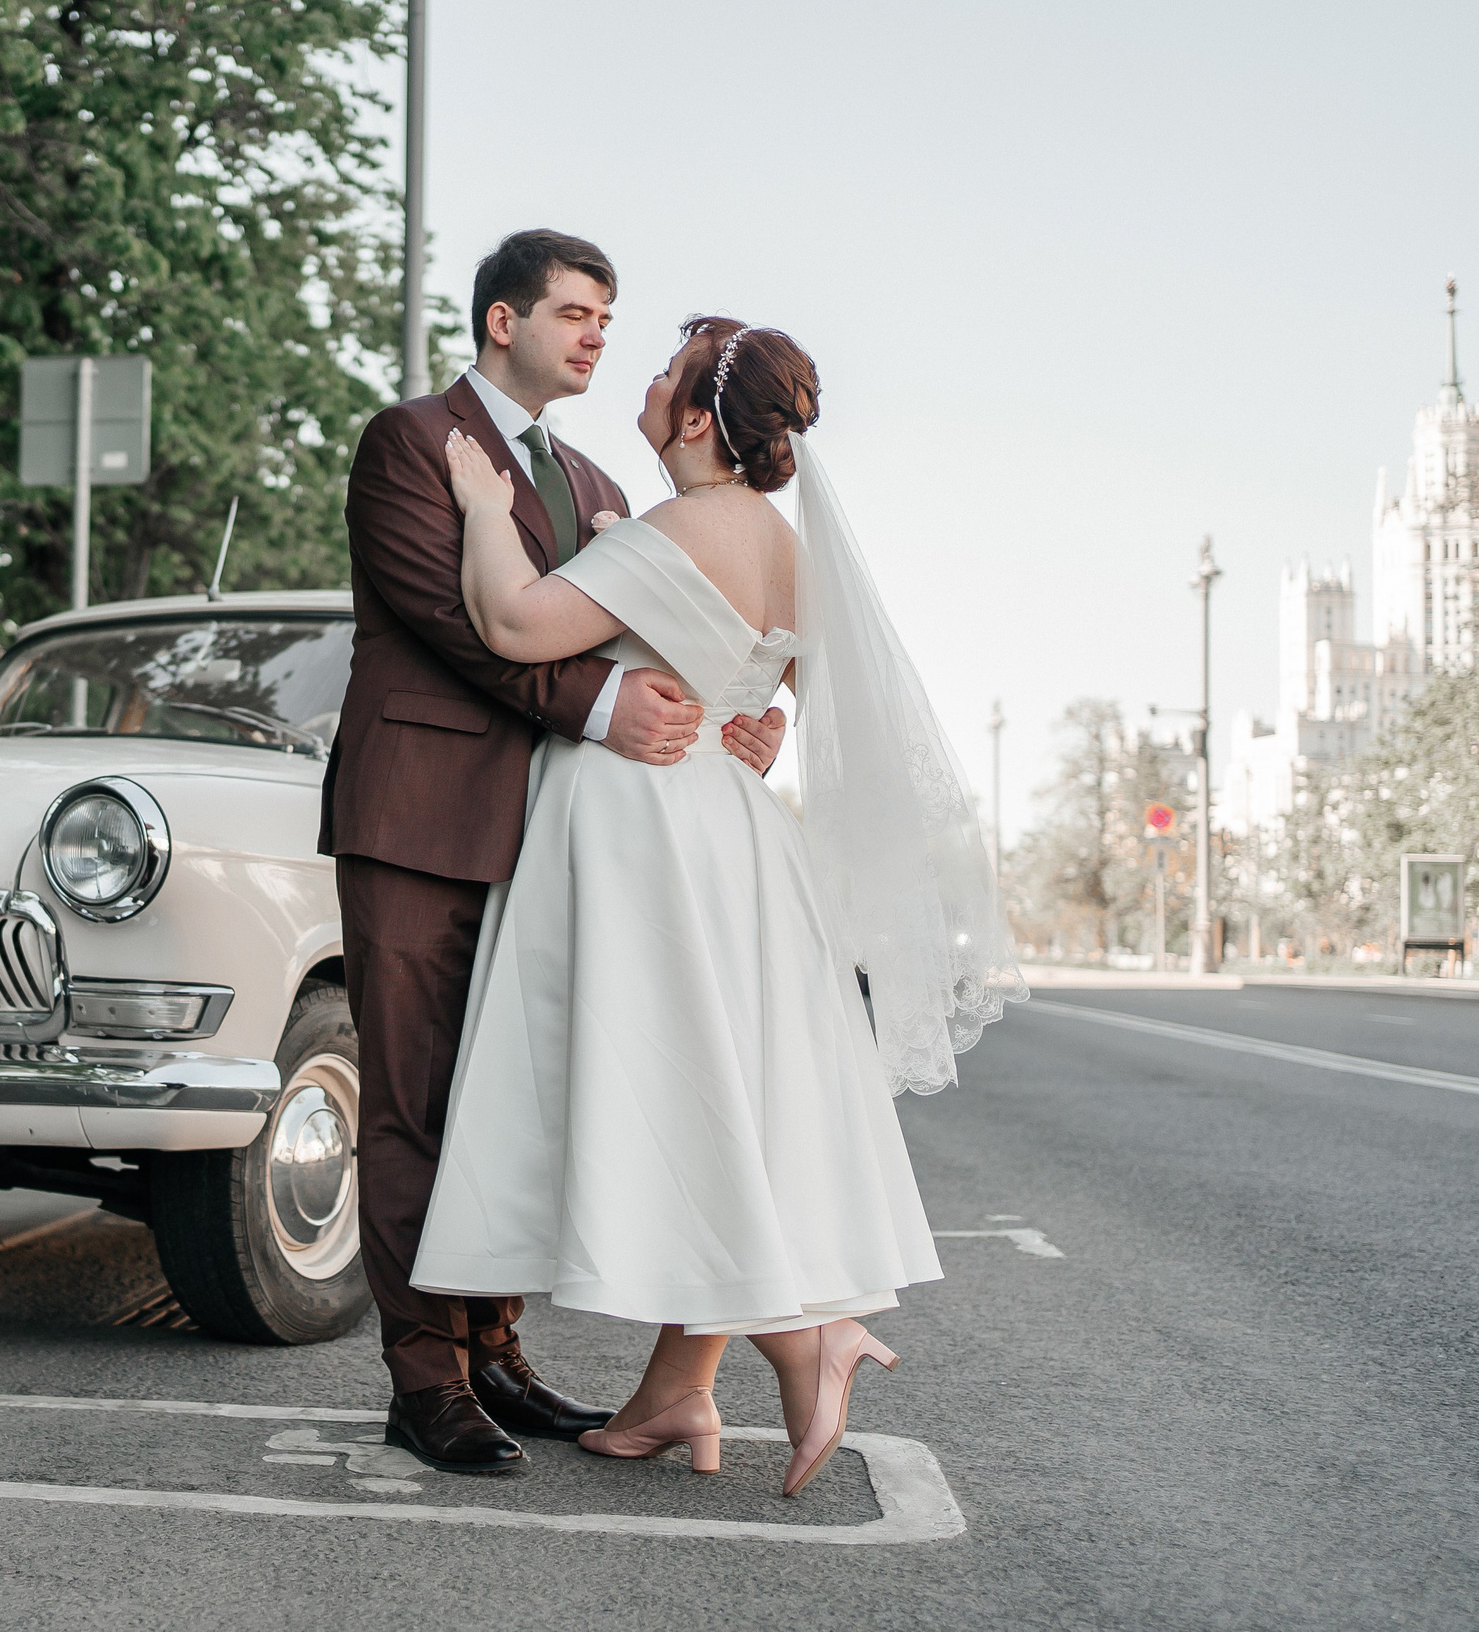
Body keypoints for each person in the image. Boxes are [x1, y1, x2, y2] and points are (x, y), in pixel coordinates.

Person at [410, 315, 1025, 1493]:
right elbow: (777, 682)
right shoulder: (781, 543)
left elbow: (512, 624)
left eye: (660, 376)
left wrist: (487, 511)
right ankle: (674, 1397)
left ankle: (805, 1339)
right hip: (733, 837)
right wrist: (760, 708)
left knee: (668, 1096)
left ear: (695, 418)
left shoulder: (683, 523)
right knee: (726, 1095)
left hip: (642, 832)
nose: (638, 383)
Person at [318, 233, 789, 1475]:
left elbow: (662, 634)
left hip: (553, 843)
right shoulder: (411, 442)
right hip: (416, 820)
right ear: (497, 321)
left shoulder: (602, 484)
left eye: (606, 317)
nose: (593, 335)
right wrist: (599, 708)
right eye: (572, 312)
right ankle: (424, 1383)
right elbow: (455, 620)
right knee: (413, 1106)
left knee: (507, 1107)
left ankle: (494, 1353)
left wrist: (738, 705)